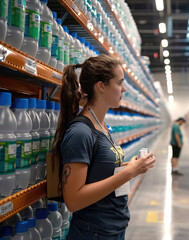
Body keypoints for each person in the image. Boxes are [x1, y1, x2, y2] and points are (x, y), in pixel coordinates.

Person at [51, 54, 156, 240]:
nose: (123, 89)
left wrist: (131, 166)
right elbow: (73, 200)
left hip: (111, 230)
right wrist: (128, 173)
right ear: (101, 86)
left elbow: (98, 171)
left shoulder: (101, 126)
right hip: (93, 233)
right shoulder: (80, 132)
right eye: (119, 83)